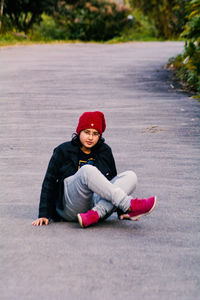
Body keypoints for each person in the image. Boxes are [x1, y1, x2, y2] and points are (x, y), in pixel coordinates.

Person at [32, 111, 157, 228]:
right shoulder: (63, 150)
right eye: (86, 132)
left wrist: (121, 212)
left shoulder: (105, 151)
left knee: (131, 176)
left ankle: (94, 215)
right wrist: (44, 214)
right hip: (71, 206)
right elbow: (49, 181)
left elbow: (112, 184)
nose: (90, 137)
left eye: (95, 133)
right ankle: (129, 204)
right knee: (87, 170)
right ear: (79, 132)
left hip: (95, 204)